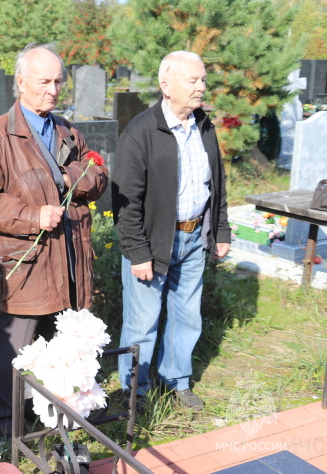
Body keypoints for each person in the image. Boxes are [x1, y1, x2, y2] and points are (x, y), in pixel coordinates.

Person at [0, 43, 108, 439]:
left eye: (59, 81)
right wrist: (32, 216)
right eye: (44, 81)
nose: (53, 89)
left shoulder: (66, 130)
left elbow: (98, 177)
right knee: (14, 346)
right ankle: (8, 424)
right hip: (24, 264)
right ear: (21, 82)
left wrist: (68, 179)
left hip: (69, 260)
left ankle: (58, 411)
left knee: (59, 345)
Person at [112, 50, 230, 412]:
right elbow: (125, 200)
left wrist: (220, 230)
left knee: (186, 315)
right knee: (142, 323)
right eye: (193, 80)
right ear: (166, 85)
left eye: (203, 80)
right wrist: (138, 252)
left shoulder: (204, 126)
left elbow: (218, 182)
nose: (201, 87)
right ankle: (136, 391)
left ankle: (176, 380)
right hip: (153, 242)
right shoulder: (141, 132)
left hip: (194, 238)